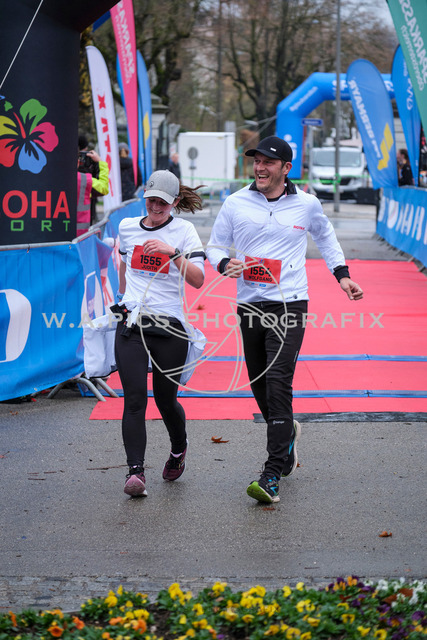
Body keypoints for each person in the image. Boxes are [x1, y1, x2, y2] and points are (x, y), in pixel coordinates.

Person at [206, 135, 363, 504]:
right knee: (259, 383)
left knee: (278, 381)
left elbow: (326, 238)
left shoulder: (306, 204)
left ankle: (272, 473)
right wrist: (224, 263)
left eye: (268, 162)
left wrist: (342, 276)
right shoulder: (236, 202)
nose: (260, 168)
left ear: (286, 168)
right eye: (256, 161)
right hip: (249, 304)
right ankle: (287, 432)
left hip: (289, 304)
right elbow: (215, 245)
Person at [115, 170, 205, 497]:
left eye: (163, 203)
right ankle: (135, 472)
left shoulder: (184, 231)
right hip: (132, 321)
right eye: (151, 200)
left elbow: (198, 280)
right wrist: (122, 298)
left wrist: (173, 253)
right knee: (135, 398)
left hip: (170, 325)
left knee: (166, 400)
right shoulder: (127, 227)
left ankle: (179, 449)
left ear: (175, 202)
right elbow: (124, 264)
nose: (155, 207)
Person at [76, 148, 109, 236]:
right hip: (81, 236)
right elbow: (104, 188)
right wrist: (100, 162)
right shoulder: (85, 180)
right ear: (78, 162)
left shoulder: (50, 178)